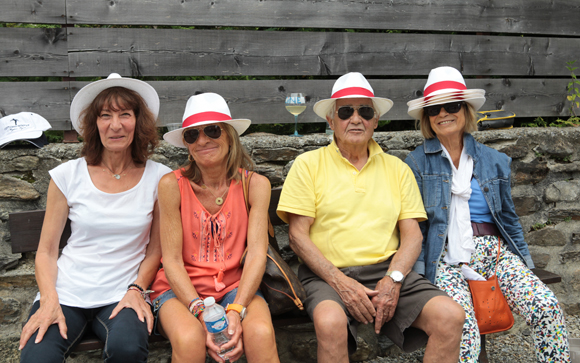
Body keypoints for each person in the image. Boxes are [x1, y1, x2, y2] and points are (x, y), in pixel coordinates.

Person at [277, 72, 466, 363]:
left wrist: (394, 278)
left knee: (450, 316)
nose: (356, 119)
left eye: (365, 111)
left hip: (386, 270)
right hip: (326, 275)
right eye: (345, 111)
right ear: (331, 121)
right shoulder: (308, 165)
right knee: (330, 323)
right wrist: (341, 282)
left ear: (375, 121)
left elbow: (412, 235)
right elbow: (297, 237)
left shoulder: (397, 168)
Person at [404, 66, 571, 362]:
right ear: (427, 118)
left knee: (546, 306)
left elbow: (508, 219)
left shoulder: (494, 160)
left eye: (452, 105)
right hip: (445, 258)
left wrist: (525, 264)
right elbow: (417, 227)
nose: (443, 113)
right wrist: (419, 278)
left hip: (494, 252)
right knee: (463, 328)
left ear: (465, 110)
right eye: (434, 109)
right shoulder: (416, 163)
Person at [19, 73, 172, 362]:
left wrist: (138, 289)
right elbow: (47, 251)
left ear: (138, 122)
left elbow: (156, 250)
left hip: (123, 293)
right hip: (67, 292)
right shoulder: (67, 175)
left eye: (125, 114)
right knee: (36, 356)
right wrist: (49, 298)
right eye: (105, 115)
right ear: (94, 124)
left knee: (127, 349)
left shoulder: (160, 178)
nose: (115, 125)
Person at [150, 92, 280, 363]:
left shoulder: (255, 185)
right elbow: (171, 260)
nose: (203, 140)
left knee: (260, 332)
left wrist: (236, 308)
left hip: (236, 286)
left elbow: (257, 254)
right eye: (192, 135)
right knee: (189, 340)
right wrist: (199, 311)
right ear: (186, 144)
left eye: (212, 130)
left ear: (230, 136)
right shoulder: (171, 185)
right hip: (179, 289)